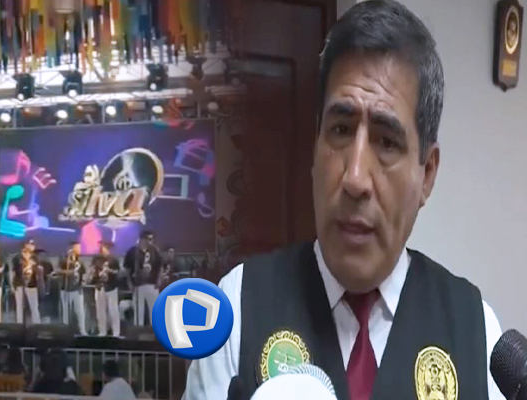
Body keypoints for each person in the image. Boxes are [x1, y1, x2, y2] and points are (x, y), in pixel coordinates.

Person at [183, 1, 506, 399]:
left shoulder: (477, 332)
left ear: (427, 174)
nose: (354, 179)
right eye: (340, 130)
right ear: (315, 145)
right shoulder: (235, 309)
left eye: (387, 142)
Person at [123, 231, 161, 326]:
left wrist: (159, 279)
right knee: (138, 310)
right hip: (138, 285)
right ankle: (138, 329)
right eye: (149, 239)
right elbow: (127, 268)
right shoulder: (132, 251)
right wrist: (129, 282)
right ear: (142, 239)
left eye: (152, 239)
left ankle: (155, 329)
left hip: (152, 284)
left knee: (154, 309)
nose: (151, 241)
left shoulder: (155, 250)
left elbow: (160, 266)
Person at [91, 241, 121, 337]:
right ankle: (102, 331)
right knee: (100, 311)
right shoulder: (96, 259)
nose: (103, 248)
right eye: (101, 246)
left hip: (111, 287)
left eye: (105, 247)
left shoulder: (114, 260)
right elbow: (93, 272)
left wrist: (109, 271)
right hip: (100, 287)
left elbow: (118, 272)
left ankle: (116, 332)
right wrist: (95, 275)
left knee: (113, 310)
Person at [56, 241, 87, 335]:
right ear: (72, 248)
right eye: (78, 247)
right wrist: (68, 272)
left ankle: (82, 331)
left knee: (80, 312)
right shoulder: (64, 259)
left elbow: (83, 274)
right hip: (66, 290)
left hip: (77, 290)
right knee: (66, 312)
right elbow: (57, 270)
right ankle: (65, 331)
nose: (80, 250)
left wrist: (82, 282)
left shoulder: (80, 261)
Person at [11, 240, 41, 324]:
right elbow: (13, 271)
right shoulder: (17, 257)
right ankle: (19, 325)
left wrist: (28, 260)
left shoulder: (35, 257)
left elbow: (36, 270)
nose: (31, 246)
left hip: (31, 284)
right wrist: (12, 284)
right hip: (19, 283)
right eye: (30, 244)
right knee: (19, 306)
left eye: (33, 244)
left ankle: (36, 325)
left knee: (34, 306)